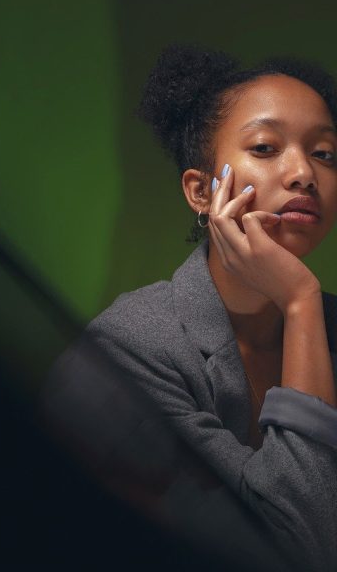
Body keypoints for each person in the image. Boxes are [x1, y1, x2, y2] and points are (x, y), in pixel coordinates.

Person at [47, 45, 337, 572]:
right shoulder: (126, 350)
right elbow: (297, 547)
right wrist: (299, 301)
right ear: (202, 191)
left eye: (325, 153)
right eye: (266, 147)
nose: (303, 173)